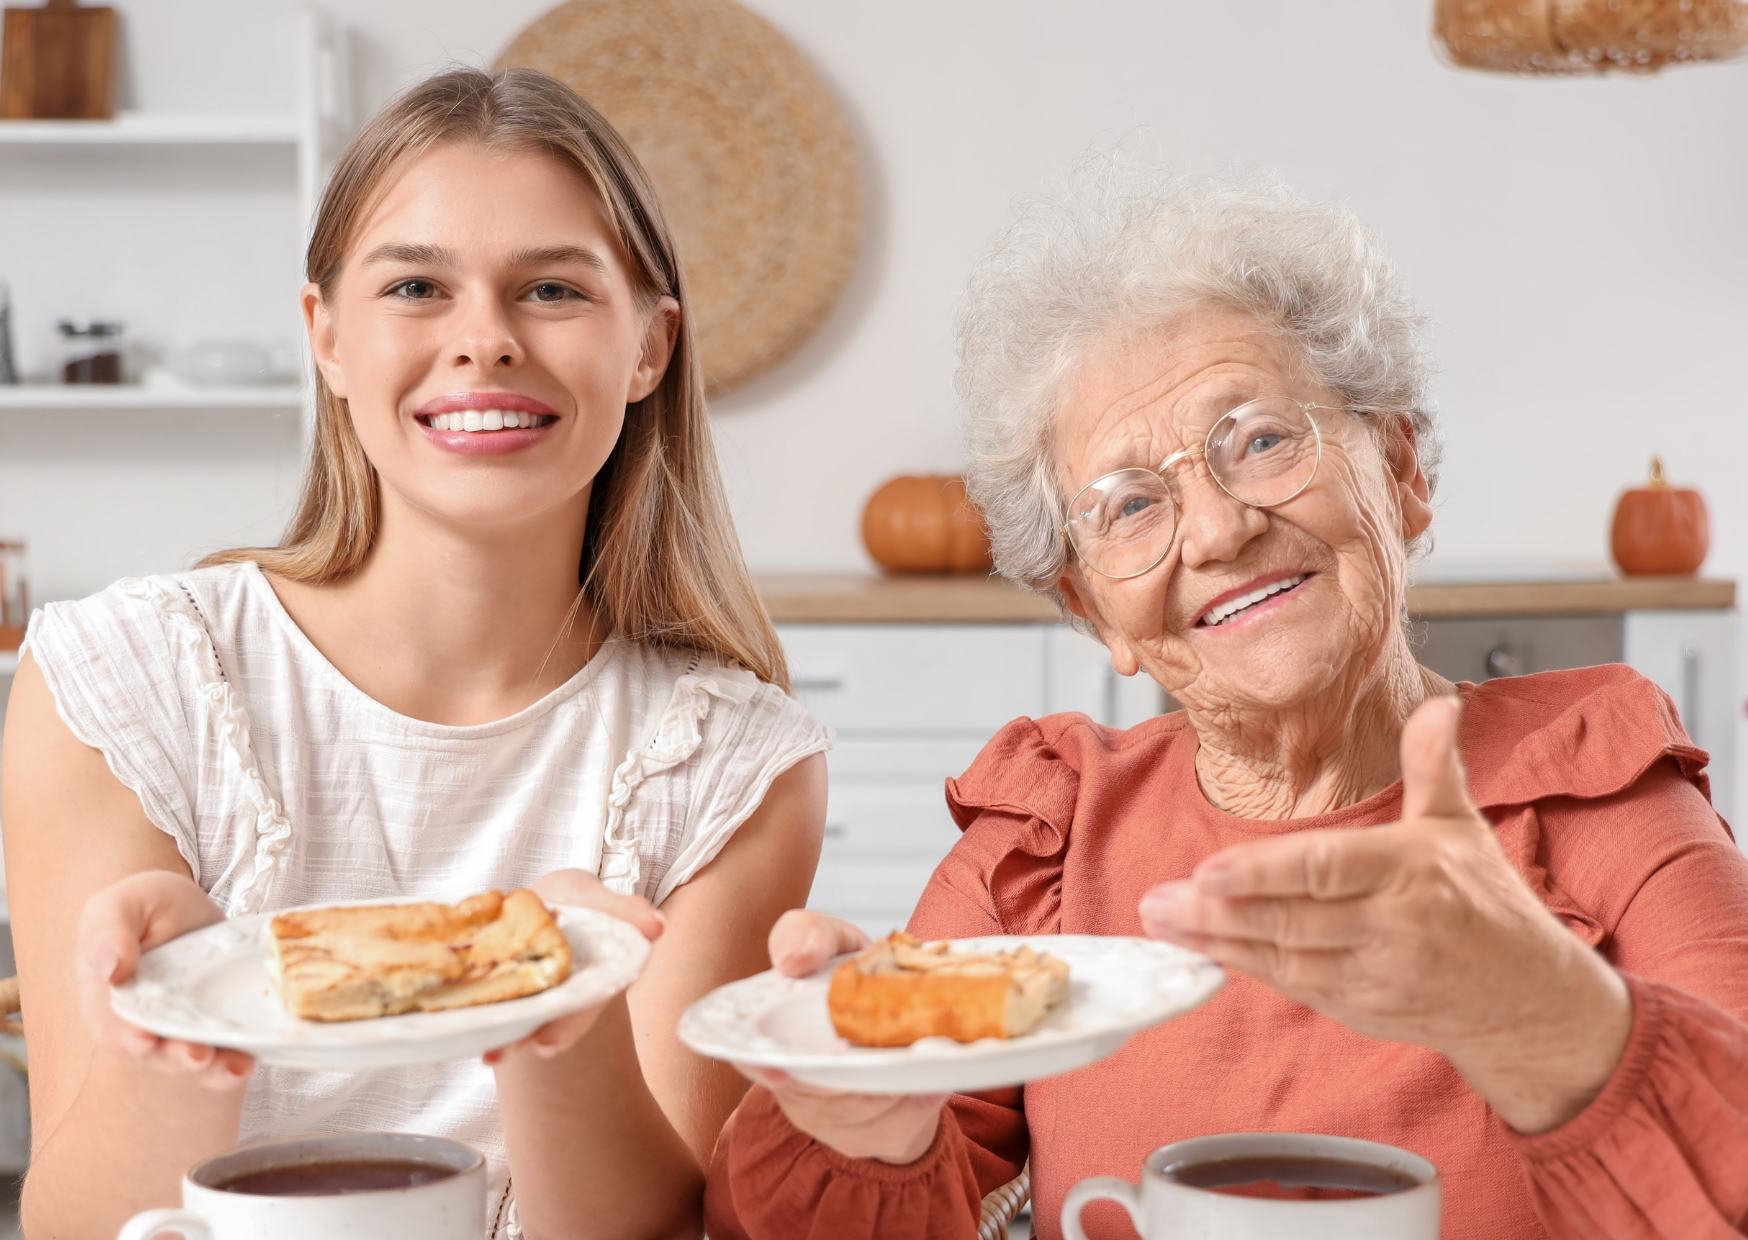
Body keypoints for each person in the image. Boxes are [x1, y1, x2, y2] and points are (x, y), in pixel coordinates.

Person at [703, 174, 1748, 1240]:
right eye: (1129, 505)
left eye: (1259, 440)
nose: (1214, 530)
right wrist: (862, 1125)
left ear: (1399, 470)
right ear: (1092, 610)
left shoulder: (1594, 790)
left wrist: (1551, 1021)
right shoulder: (1047, 841)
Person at [1, 68, 829, 1240]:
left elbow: (651, 1230)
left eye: (551, 288)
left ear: (650, 346)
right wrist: (174, 1037)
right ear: (326, 337)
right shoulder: (121, 687)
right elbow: (75, 1227)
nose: (483, 341)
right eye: (415, 287)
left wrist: (565, 1018)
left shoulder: (734, 763)